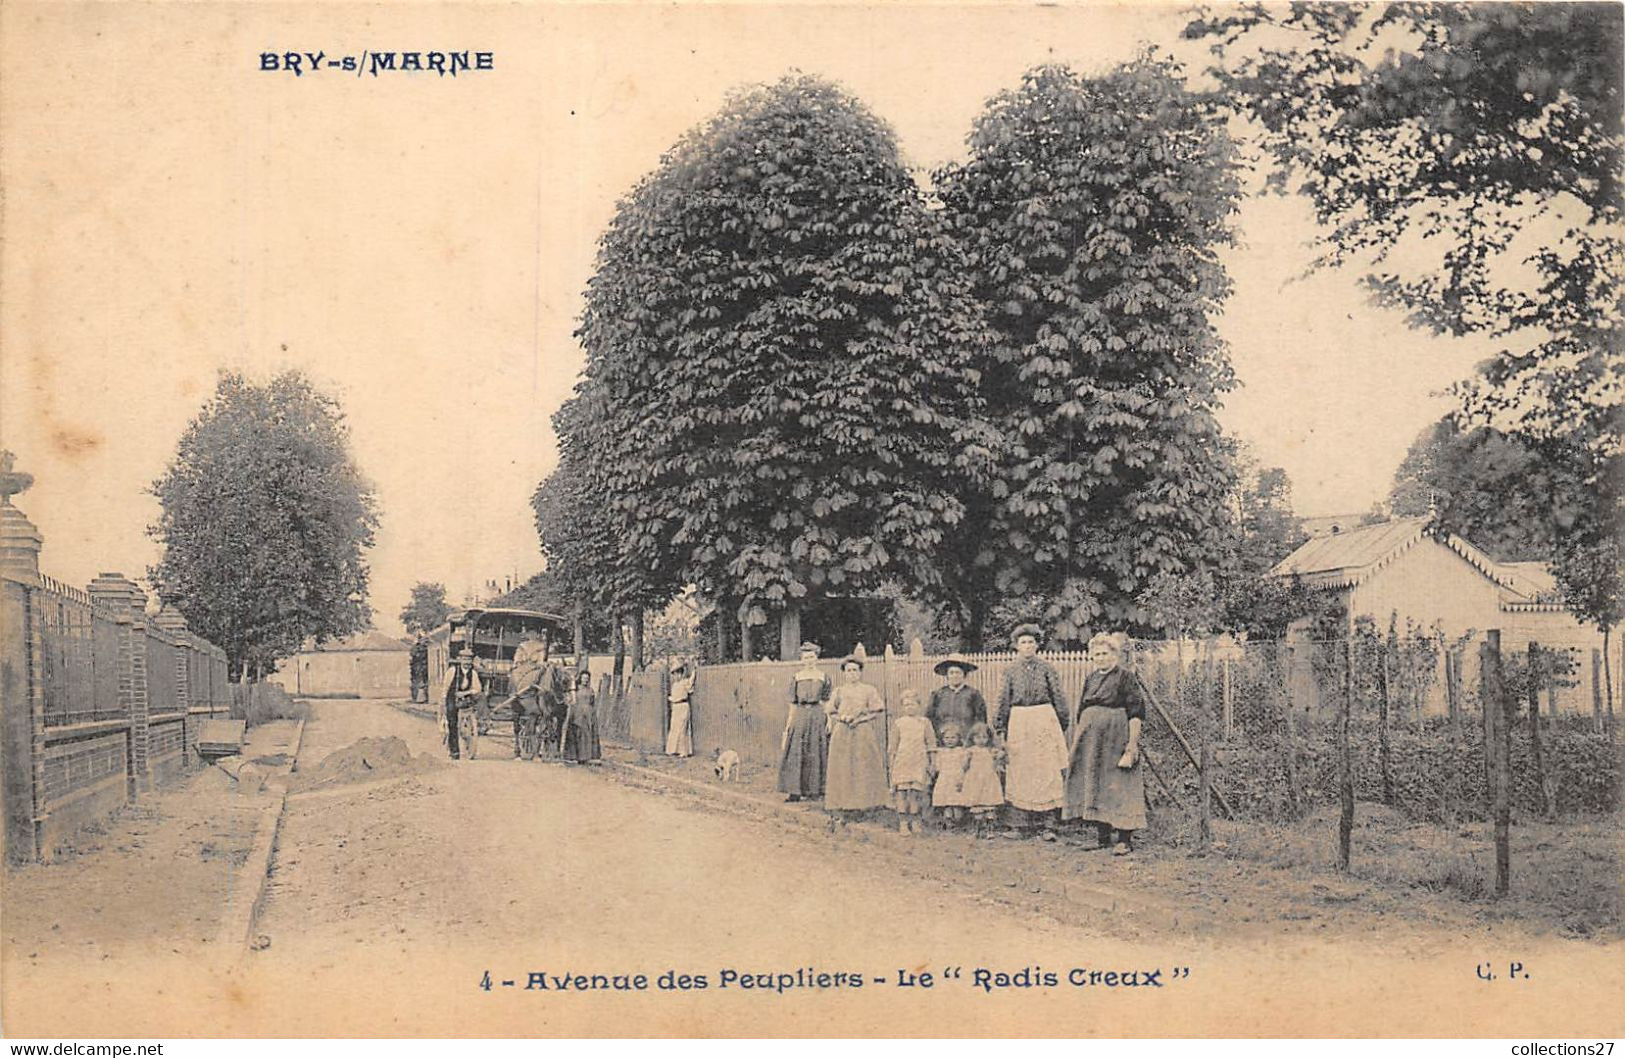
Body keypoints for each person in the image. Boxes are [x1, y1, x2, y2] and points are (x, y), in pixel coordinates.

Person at [1063, 632, 1148, 855]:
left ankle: (1124, 840)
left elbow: (1136, 712)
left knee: (1119, 783)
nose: (1100, 658)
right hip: (1092, 739)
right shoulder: (1090, 679)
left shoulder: (1125, 677)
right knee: (1096, 781)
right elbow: (1082, 709)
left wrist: (1132, 744)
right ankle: (1102, 838)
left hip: (1115, 736)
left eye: (1105, 653)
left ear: (1115, 655)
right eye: (1096, 654)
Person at [994, 623, 1069, 840]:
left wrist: (1059, 723)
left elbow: (1058, 697)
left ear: (1037, 645)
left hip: (1043, 719)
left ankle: (1049, 825)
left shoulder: (1047, 669)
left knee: (1047, 768)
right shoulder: (1010, 671)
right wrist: (1001, 727)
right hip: (1019, 721)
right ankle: (1020, 825)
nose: (1027, 646)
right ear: (1016, 646)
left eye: (1031, 642)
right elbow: (1003, 700)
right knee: (1021, 770)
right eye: (1023, 642)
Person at [824, 656, 890, 820]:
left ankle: (864, 804)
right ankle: (843, 804)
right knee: (843, 767)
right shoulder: (839, 691)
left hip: (861, 731)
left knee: (862, 766)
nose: (852, 673)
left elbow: (877, 710)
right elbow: (830, 710)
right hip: (843, 732)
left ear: (860, 672)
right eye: (849, 670)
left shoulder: (869, 690)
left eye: (855, 670)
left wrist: (860, 719)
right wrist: (842, 718)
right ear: (844, 673)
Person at [778, 643, 831, 802]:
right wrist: (789, 724)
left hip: (817, 715)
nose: (809, 660)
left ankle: (815, 790)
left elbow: (826, 701)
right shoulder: (797, 677)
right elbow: (792, 703)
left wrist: (829, 719)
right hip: (800, 715)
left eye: (812, 657)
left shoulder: (823, 676)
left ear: (817, 658)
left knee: (816, 750)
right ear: (802, 659)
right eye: (806, 657)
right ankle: (795, 791)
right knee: (796, 751)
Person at [889, 689, 936, 834]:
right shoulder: (898, 723)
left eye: (913, 704)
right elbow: (893, 746)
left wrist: (932, 762)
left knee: (915, 793)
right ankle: (903, 822)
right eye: (906, 705)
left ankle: (915, 820)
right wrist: (891, 764)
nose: (910, 707)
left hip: (919, 761)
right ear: (902, 707)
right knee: (902, 792)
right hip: (902, 761)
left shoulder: (925, 723)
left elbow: (931, 743)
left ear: (919, 706)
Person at [508, 628, 551, 758]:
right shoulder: (522, 647)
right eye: (530, 633)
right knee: (515, 676)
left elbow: (541, 660)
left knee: (547, 675)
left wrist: (540, 663)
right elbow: (517, 660)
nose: (533, 635)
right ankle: (517, 694)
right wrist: (520, 662)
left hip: (537, 668)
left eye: (534, 633)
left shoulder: (541, 646)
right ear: (527, 635)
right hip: (523, 668)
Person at [961, 722, 1006, 839]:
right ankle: (977, 830)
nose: (981, 740)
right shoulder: (970, 750)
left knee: (989, 804)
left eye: (984, 737)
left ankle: (990, 830)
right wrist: (966, 759)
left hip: (988, 779)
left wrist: (1001, 753)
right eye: (978, 737)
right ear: (972, 738)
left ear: (989, 738)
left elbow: (1002, 756)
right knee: (977, 805)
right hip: (975, 779)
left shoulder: (991, 750)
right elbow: (964, 766)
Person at [927, 655, 987, 740]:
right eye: (951, 673)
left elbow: (981, 720)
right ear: (947, 676)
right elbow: (929, 719)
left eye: (958, 672)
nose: (955, 676)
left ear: (964, 675)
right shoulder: (938, 694)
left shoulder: (974, 694)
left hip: (966, 740)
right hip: (943, 740)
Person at [440, 648, 482, 760]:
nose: (467, 663)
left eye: (469, 660)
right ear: (460, 660)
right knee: (452, 721)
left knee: (478, 703)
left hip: (465, 698)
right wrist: (444, 700)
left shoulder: (473, 674)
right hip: (452, 698)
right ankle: (454, 751)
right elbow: (445, 688)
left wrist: (466, 692)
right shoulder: (452, 671)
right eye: (465, 660)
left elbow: (477, 688)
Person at [930, 721, 970, 828]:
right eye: (947, 738)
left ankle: (958, 821)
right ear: (942, 739)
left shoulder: (961, 751)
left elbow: (965, 764)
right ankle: (948, 821)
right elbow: (938, 767)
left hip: (957, 777)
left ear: (958, 739)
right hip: (945, 778)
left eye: (953, 738)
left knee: (957, 803)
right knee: (946, 801)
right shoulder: (941, 752)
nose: (950, 740)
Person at [562, 668, 602, 764]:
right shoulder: (576, 689)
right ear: (580, 678)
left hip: (588, 714)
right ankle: (574, 756)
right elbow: (570, 700)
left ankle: (586, 757)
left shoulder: (591, 690)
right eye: (584, 678)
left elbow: (592, 702)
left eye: (587, 678)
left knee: (587, 735)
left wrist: (591, 714)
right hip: (577, 713)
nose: (585, 680)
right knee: (577, 733)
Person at [666, 661, 694, 757]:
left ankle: (684, 751)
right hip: (676, 707)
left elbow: (690, 685)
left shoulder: (685, 682)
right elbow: (674, 697)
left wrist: (694, 671)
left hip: (683, 706)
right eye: (674, 674)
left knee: (682, 728)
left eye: (678, 673)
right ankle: (673, 749)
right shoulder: (674, 685)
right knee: (674, 727)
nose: (676, 676)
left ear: (681, 674)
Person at [409, 636, 429, 704]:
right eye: (422, 640)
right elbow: (413, 657)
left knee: (424, 683)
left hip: (425, 667)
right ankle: (417, 698)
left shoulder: (426, 648)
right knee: (418, 682)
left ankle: (424, 698)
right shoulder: (416, 648)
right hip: (418, 667)